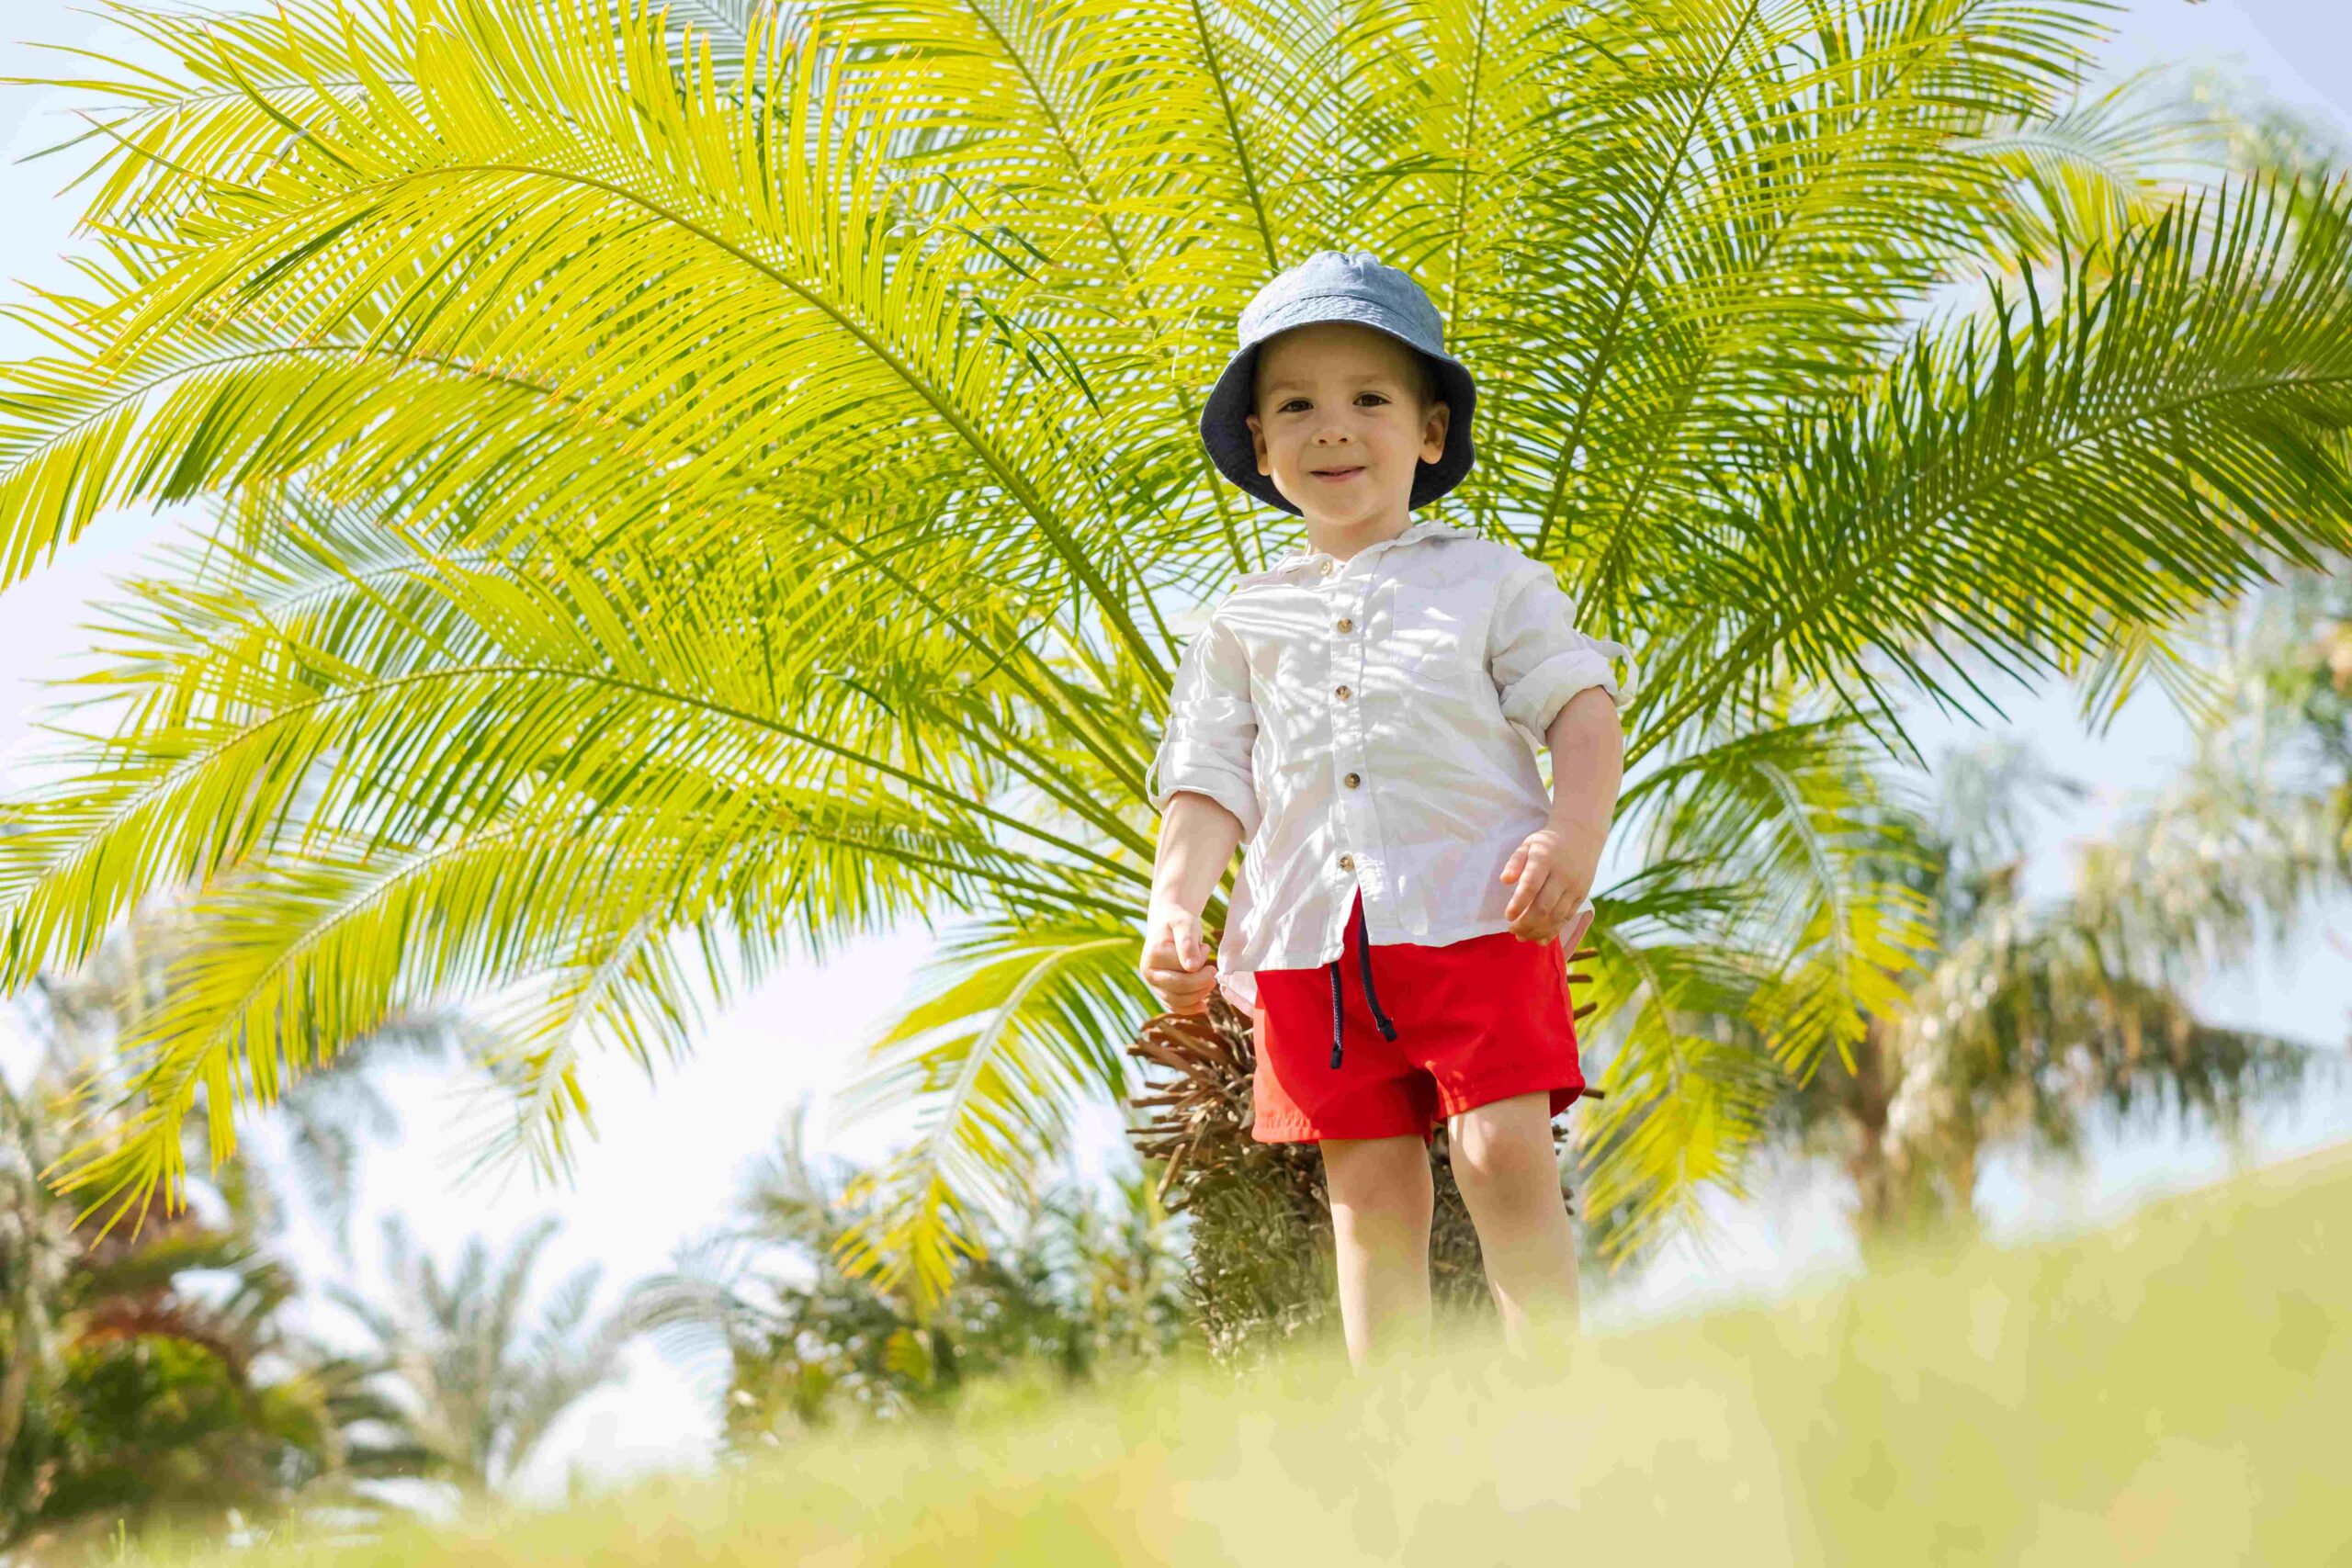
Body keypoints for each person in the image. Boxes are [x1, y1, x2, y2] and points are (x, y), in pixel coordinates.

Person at [1137, 250, 1631, 1370]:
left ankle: (1558, 1388)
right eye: (1295, 405)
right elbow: (1209, 775)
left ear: (1431, 431)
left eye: (1369, 399)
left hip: (1478, 909)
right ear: (1260, 448)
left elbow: (1582, 711)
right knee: (1365, 1190)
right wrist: (1174, 904)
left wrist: (1572, 838)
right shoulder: (1240, 622)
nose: (1332, 428)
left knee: (1503, 1152)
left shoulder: (1491, 581)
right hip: (1313, 942)